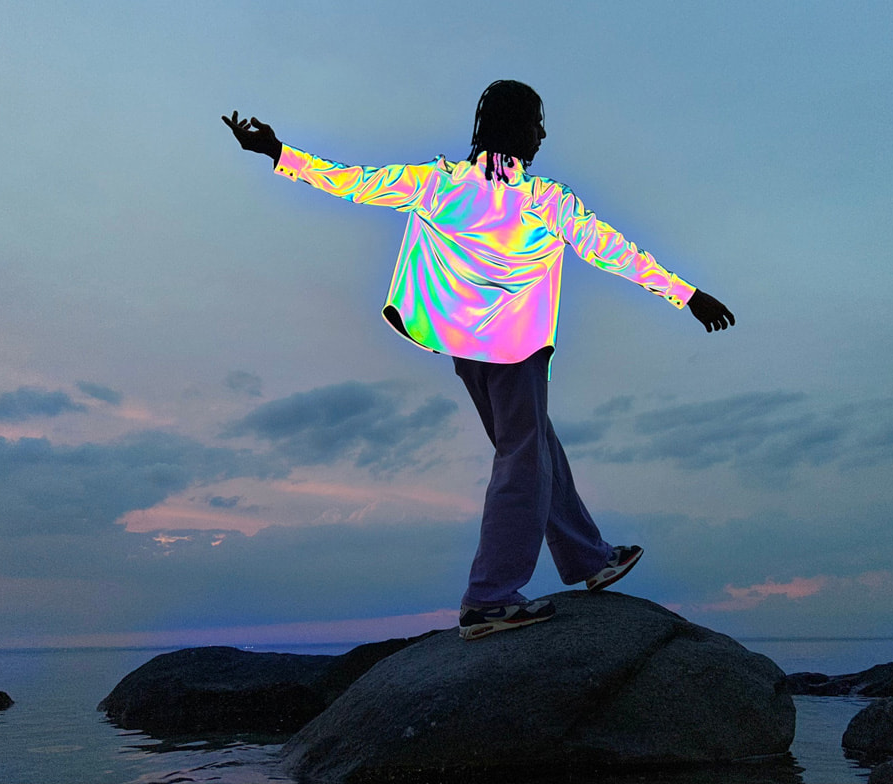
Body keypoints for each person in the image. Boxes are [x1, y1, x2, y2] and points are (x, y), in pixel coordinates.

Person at [223, 79, 734, 641]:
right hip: (516, 348)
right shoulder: (544, 199)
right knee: (523, 458)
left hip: (463, 345)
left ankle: (589, 558)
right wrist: (685, 293)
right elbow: (613, 250)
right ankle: (489, 597)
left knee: (535, 444)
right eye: (537, 124)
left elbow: (354, 183)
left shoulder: (438, 183)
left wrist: (278, 153)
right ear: (519, 128)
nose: (543, 134)